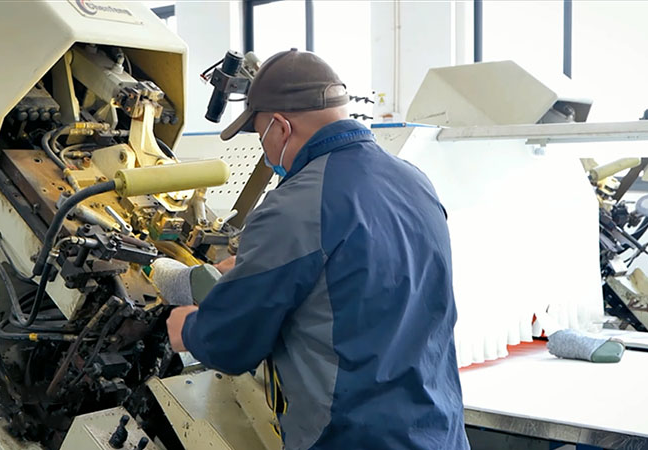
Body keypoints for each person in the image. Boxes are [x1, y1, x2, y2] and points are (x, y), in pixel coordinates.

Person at [162, 49, 469, 450]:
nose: (265, 151)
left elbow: (231, 344)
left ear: (280, 127)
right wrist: (260, 266)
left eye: (260, 135)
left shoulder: (294, 205)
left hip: (353, 439)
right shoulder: (413, 181)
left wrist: (188, 327)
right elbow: (361, 278)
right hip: (437, 432)